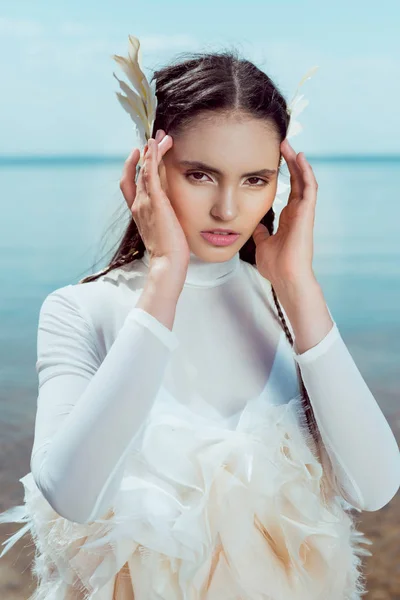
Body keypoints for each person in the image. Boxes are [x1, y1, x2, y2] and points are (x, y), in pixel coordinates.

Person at [1, 36, 400, 600]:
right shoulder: (81, 310)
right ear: (149, 168)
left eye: (256, 180)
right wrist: (165, 274)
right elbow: (74, 496)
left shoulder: (282, 303)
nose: (228, 210)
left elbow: (375, 487)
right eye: (200, 175)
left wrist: (299, 287)